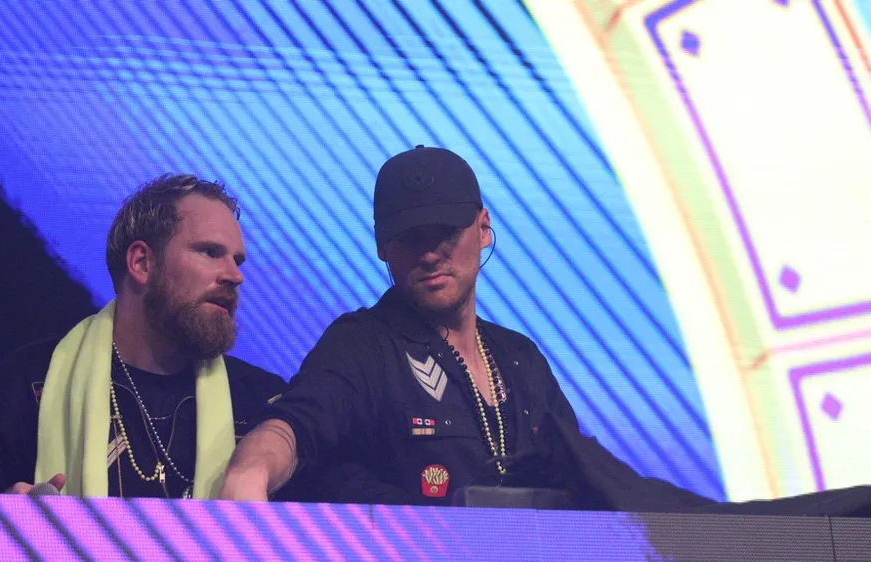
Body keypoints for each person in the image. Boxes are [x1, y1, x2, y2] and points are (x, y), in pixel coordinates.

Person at [221, 146, 871, 515]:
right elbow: (295, 425)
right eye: (409, 236)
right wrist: (249, 478)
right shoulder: (363, 343)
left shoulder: (519, 357)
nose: (430, 252)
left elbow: (590, 479)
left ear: (483, 228)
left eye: (445, 231)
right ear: (381, 247)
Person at [0, 174, 286, 498]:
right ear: (141, 263)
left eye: (237, 261)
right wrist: (3, 513)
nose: (235, 276)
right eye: (210, 252)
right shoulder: (26, 386)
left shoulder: (262, 405)